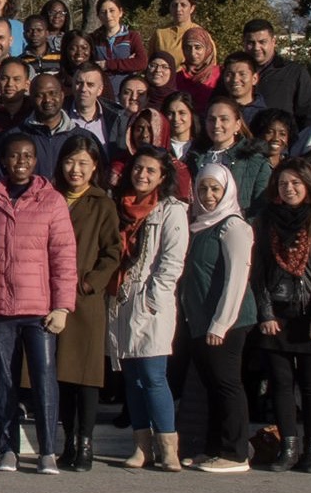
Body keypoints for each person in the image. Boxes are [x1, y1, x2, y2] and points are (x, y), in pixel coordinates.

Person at [0, 133, 77, 473]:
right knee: (4, 380)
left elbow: (64, 256)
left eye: (28, 156)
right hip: (0, 307)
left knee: (44, 379)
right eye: (14, 156)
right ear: (4, 161)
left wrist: (62, 306)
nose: (21, 162)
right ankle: (8, 449)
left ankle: (48, 450)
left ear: (36, 161)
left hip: (40, 309)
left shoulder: (52, 201)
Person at [252, 160, 311, 473]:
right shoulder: (267, 219)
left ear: (308, 185)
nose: (289, 189)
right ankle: (288, 446)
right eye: (283, 184)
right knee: (280, 383)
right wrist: (265, 311)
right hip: (277, 313)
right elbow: (259, 269)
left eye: (295, 183)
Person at [107, 148, 188, 472]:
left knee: (153, 376)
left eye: (150, 171)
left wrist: (153, 298)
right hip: (121, 299)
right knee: (132, 378)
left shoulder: (171, 210)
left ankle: (167, 446)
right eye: (138, 168)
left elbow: (171, 261)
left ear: (162, 177)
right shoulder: (120, 205)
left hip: (151, 301)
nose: (142, 175)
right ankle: (141, 446)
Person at [179, 161, 259, 473]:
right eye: (203, 188)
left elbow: (237, 277)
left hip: (227, 323)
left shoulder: (234, 226)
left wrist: (221, 323)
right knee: (211, 385)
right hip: (201, 321)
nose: (208, 195)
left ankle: (236, 452)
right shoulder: (200, 225)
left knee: (227, 384)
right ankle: (213, 448)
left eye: (215, 188)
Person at [50, 134, 119, 471]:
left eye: (83, 163)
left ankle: (86, 443)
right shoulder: (49, 197)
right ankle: (68, 441)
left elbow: (113, 252)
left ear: (95, 167)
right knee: (62, 375)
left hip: (85, 299)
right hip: (53, 297)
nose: (75, 170)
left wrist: (91, 283)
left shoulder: (101, 203)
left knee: (86, 376)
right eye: (69, 161)